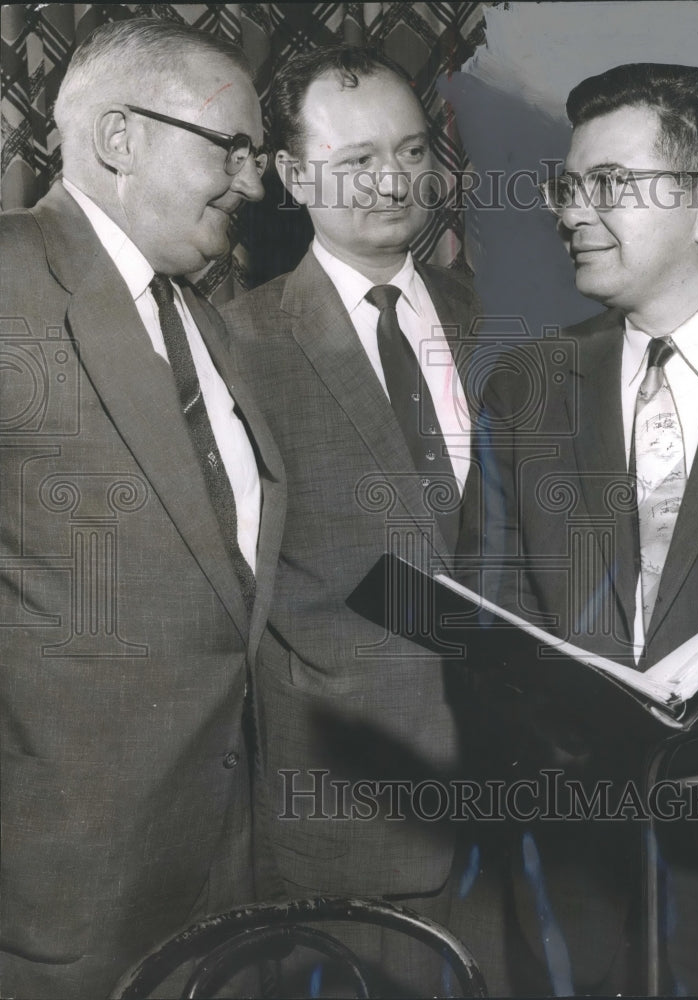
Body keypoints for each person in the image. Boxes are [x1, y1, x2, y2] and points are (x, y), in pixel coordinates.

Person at [460, 63, 698, 993]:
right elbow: (484, 620)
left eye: (608, 185)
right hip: (575, 876)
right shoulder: (526, 385)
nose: (570, 211)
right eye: (566, 186)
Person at [0, 18, 286, 1000]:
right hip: (64, 905)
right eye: (232, 149)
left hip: (229, 884)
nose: (253, 181)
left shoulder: (206, 320)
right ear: (119, 138)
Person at [221, 44, 502, 995]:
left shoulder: (503, 322)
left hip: (526, 805)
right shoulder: (232, 346)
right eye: (356, 161)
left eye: (414, 151)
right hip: (347, 811)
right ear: (293, 177)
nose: (395, 181)